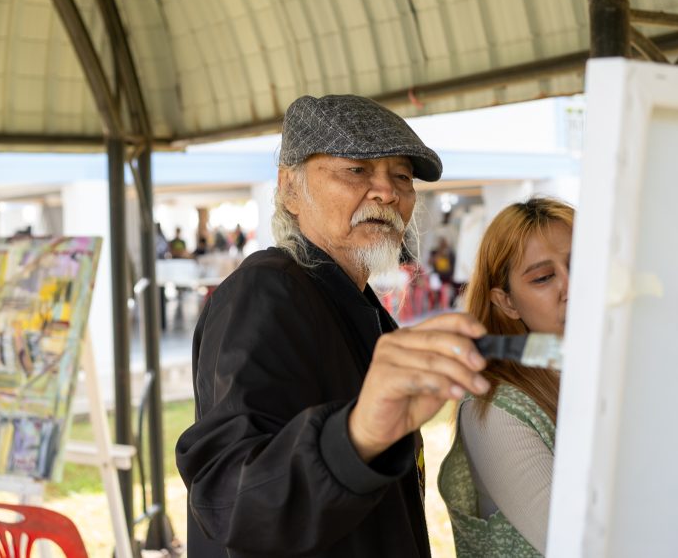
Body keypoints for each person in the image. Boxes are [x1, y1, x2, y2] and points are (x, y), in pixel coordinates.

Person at [175, 94, 491, 557]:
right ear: (289, 189)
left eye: (401, 176)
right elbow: (230, 499)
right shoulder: (265, 293)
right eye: (356, 170)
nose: (386, 192)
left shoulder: (359, 306)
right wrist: (358, 433)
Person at [437, 197, 573, 557]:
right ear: (507, 302)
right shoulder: (494, 410)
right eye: (543, 278)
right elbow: (577, 542)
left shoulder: (613, 374)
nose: (571, 287)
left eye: (581, 265)